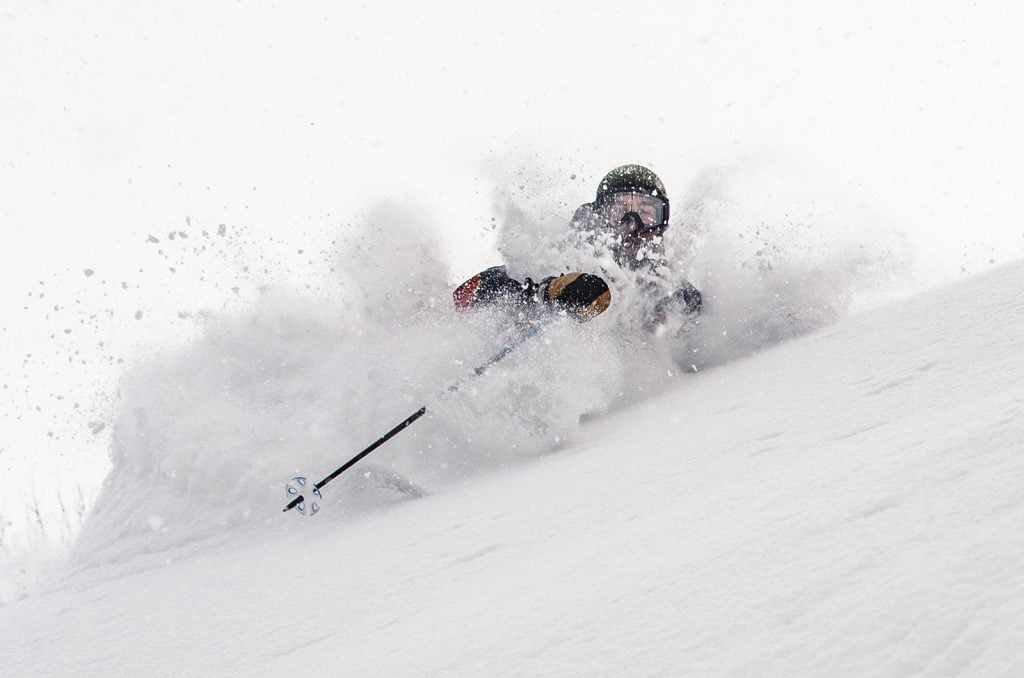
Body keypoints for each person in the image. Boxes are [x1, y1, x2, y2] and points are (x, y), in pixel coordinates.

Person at [453, 164, 701, 330]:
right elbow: (468, 294)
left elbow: (706, 342)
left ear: (661, 224)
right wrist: (547, 291)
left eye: (647, 213)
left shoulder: (668, 288)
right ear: (599, 215)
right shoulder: (566, 255)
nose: (632, 225)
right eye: (620, 211)